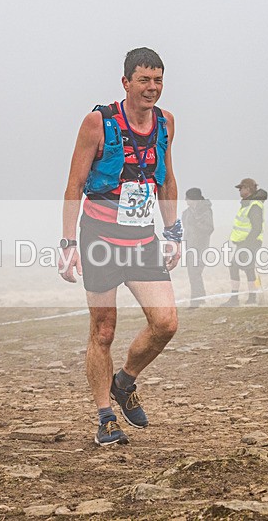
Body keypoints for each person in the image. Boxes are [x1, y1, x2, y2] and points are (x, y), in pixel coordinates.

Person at [59, 47, 181, 446]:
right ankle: (104, 417)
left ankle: (124, 381)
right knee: (103, 331)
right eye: (144, 79)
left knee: (165, 323)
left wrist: (173, 231)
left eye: (158, 80)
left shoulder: (166, 123)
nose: (152, 87)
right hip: (99, 240)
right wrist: (68, 242)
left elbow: (167, 180)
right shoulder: (98, 123)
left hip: (142, 238)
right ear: (125, 82)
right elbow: (74, 186)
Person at [223, 178, 267, 306]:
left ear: (248, 189)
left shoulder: (254, 206)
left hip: (249, 243)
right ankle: (247, 298)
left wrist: (248, 243)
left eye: (241, 188)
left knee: (238, 266)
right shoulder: (247, 204)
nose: (239, 191)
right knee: (246, 268)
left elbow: (257, 227)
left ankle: (238, 298)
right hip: (244, 243)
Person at [182, 188, 214, 308]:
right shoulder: (186, 212)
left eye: (187, 198)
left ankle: (196, 301)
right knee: (193, 274)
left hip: (201, 247)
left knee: (195, 273)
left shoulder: (206, 211)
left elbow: (209, 228)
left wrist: (197, 225)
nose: (185, 200)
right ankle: (200, 298)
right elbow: (185, 227)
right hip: (190, 246)